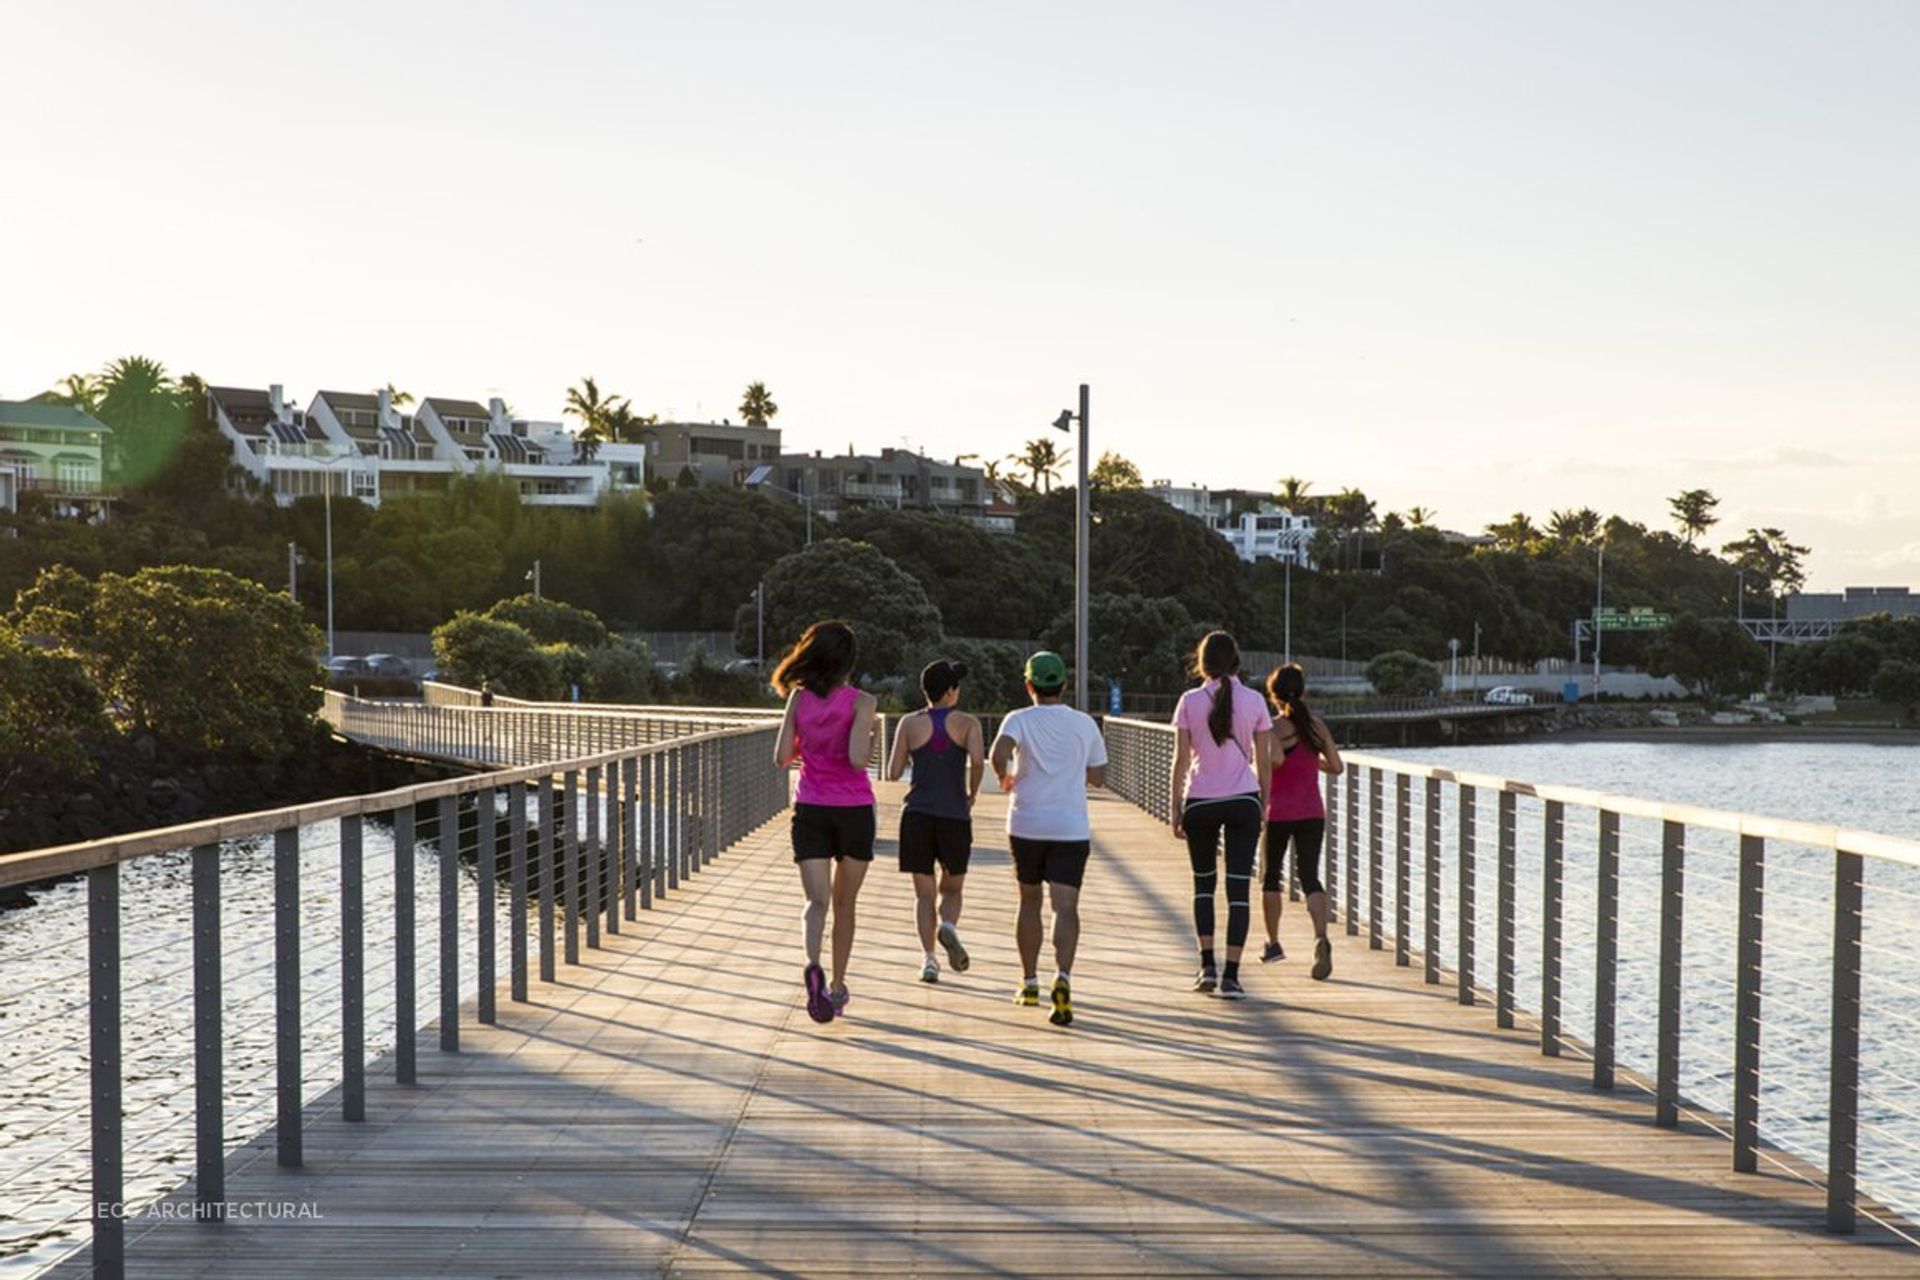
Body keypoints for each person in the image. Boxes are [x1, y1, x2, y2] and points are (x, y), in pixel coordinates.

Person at [989, 651, 1107, 1027]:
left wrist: (1005, 776)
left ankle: (1029, 983)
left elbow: (999, 752)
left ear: (1029, 686)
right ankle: (1064, 979)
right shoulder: (1085, 724)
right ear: (1065, 685)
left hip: (1026, 823)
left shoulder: (1018, 719)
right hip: (1070, 827)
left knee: (1029, 902)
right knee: (1065, 907)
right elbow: (1099, 777)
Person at [771, 620, 881, 1022]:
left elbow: (781, 757)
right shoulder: (862, 702)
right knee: (844, 904)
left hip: (811, 808)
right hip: (853, 811)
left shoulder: (798, 699)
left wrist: (807, 741)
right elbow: (856, 760)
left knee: (815, 902)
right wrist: (870, 736)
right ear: (848, 661)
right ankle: (836, 986)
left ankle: (812, 964)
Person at [1168, 631, 1272, 999]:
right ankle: (1232, 976)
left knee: (1204, 886)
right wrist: (1265, 803)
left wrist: (1175, 805)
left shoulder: (1189, 701)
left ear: (1203, 663)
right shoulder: (1256, 700)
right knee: (1239, 889)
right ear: (1236, 661)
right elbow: (1263, 762)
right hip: (1244, 799)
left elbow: (1182, 760)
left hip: (1201, 800)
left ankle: (1206, 968)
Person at [886, 659, 985, 983]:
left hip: (916, 814)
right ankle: (948, 927)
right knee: (952, 888)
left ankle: (929, 960)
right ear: (950, 691)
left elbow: (893, 771)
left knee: (924, 895)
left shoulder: (909, 724)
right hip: (954, 814)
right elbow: (976, 762)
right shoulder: (968, 723)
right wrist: (971, 794)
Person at [1261, 662, 1344, 980]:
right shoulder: (1317, 727)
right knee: (1310, 876)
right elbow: (1337, 766)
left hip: (1278, 812)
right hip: (1312, 811)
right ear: (1303, 691)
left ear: (1273, 695)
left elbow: (1273, 762)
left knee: (1271, 877)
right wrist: (1312, 764)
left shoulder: (1270, 728)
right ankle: (1320, 937)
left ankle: (1273, 943)